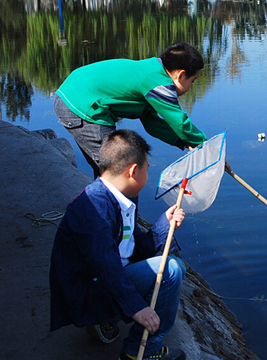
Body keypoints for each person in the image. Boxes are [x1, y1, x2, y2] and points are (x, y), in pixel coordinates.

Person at [50, 129, 187, 360]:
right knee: (172, 270)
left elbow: (134, 247)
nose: (147, 174)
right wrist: (136, 307)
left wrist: (164, 225)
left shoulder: (120, 197)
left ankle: (106, 319)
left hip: (103, 281)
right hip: (86, 294)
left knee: (161, 263)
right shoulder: (93, 206)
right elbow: (105, 264)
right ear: (133, 171)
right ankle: (141, 350)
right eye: (146, 169)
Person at [54, 42, 207, 178]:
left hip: (77, 97)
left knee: (114, 167)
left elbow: (152, 123)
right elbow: (179, 122)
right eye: (192, 81)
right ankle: (112, 208)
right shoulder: (159, 84)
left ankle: (112, 207)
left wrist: (184, 142)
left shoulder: (152, 72)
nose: (190, 87)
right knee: (116, 169)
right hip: (83, 106)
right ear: (180, 75)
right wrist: (205, 145)